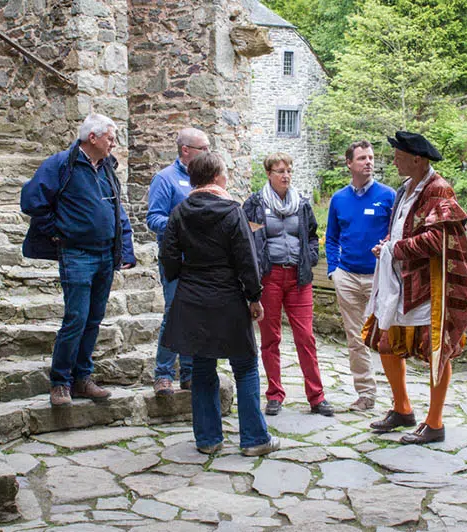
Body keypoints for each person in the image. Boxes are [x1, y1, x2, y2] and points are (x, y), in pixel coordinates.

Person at [160, 152, 280, 456]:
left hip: (193, 296)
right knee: (245, 366)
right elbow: (246, 258)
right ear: (216, 177)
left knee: (202, 366)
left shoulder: (179, 212)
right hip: (228, 297)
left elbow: (168, 257)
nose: (227, 178)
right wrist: (254, 296)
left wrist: (183, 277)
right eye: (225, 173)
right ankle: (254, 439)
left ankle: (208, 439)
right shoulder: (232, 211)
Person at [365, 131, 467, 444]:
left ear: (417, 159)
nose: (394, 161)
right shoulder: (406, 188)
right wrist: (388, 244)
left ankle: (435, 423)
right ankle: (402, 409)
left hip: (429, 286)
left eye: (399, 156)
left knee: (436, 350)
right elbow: (403, 228)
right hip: (401, 283)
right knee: (387, 343)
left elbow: (438, 239)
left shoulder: (438, 189)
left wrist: (395, 249)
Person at [21, 113, 136, 407]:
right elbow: (31, 201)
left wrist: (125, 249)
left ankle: (82, 379)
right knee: (76, 318)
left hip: (105, 255)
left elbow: (118, 211)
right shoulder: (62, 164)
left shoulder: (107, 167)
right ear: (92, 138)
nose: (114, 143)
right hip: (77, 254)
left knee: (94, 320)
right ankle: (60, 382)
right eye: (110, 138)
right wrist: (56, 232)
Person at [243, 153, 334, 417]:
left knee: (305, 337)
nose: (286, 175)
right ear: (268, 174)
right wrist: (254, 270)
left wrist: (311, 257)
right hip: (269, 278)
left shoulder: (301, 204)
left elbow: (312, 235)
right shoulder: (255, 204)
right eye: (280, 171)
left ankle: (317, 397)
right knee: (270, 338)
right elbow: (247, 239)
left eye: (289, 170)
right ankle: (274, 394)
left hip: (298, 277)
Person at [325, 140, 396, 411]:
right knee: (356, 338)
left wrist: (386, 248)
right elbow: (332, 237)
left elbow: (397, 232)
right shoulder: (339, 199)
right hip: (347, 277)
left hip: (380, 277)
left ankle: (398, 399)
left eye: (371, 157)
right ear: (349, 163)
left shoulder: (388, 196)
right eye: (362, 158)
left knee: (389, 336)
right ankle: (366, 394)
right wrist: (334, 270)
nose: (368, 162)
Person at [146, 128, 211, 396]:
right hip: (176, 259)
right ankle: (163, 374)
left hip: (202, 261)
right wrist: (185, 224)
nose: (208, 153)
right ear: (186, 150)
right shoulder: (165, 179)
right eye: (203, 148)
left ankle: (189, 373)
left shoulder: (205, 179)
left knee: (195, 316)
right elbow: (154, 219)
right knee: (174, 314)